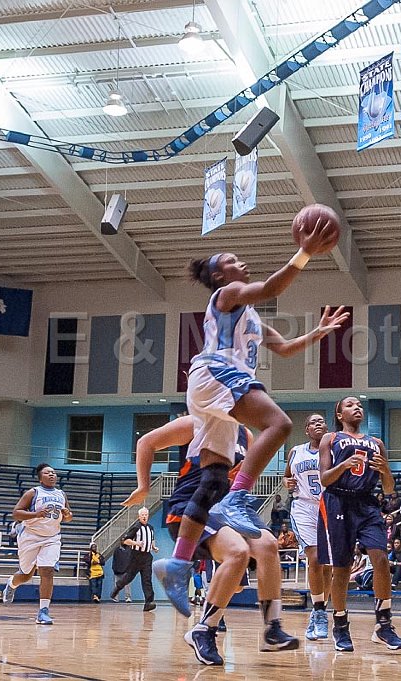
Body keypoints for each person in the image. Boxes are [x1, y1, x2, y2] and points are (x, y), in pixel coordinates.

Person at [153, 241, 349, 614]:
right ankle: (239, 497)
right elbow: (273, 287)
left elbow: (287, 348)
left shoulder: (251, 319)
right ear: (217, 276)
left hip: (213, 387)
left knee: (212, 479)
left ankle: (177, 564)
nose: (241, 262)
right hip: (217, 372)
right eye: (231, 260)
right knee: (280, 423)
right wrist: (305, 251)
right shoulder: (228, 294)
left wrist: (319, 333)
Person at [123, 414, 298, 662]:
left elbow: (242, 477)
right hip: (190, 507)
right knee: (236, 551)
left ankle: (272, 628)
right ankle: (205, 629)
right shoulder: (195, 422)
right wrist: (143, 487)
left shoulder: (244, 434)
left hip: (227, 507)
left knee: (268, 544)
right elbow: (146, 443)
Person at [318, 396, 401, 652]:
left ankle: (383, 624)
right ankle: (340, 624)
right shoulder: (330, 439)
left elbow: (388, 489)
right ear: (339, 414)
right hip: (338, 501)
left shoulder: (376, 443)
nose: (357, 407)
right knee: (342, 567)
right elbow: (324, 479)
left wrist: (386, 471)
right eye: (349, 405)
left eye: (359, 405)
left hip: (367, 503)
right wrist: (343, 465)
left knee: (380, 559)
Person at [2, 463, 73, 625]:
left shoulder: (61, 494)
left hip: (52, 537)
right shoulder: (33, 493)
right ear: (40, 478)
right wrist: (36, 514)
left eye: (53, 472)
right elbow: (16, 513)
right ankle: (11, 584)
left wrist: (68, 515)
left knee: (47, 571)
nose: (52, 475)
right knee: (26, 575)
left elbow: (68, 517)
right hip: (30, 536)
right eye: (47, 473)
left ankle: (43, 611)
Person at [283, 413, 332, 641]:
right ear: (306, 430)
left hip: (330, 508)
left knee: (328, 564)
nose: (318, 424)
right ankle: (321, 612)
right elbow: (286, 477)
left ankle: (318, 609)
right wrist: (287, 482)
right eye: (313, 422)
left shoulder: (334, 448)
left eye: (322, 421)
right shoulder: (296, 451)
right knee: (314, 558)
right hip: (304, 507)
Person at [110, 507, 158, 611]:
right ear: (139, 517)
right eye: (143, 515)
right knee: (129, 577)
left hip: (147, 557)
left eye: (146, 515)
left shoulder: (151, 528)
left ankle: (149, 602)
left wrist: (154, 547)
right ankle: (117, 588)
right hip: (136, 556)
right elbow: (126, 541)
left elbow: (152, 540)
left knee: (147, 580)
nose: (144, 517)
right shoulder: (136, 527)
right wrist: (136, 543)